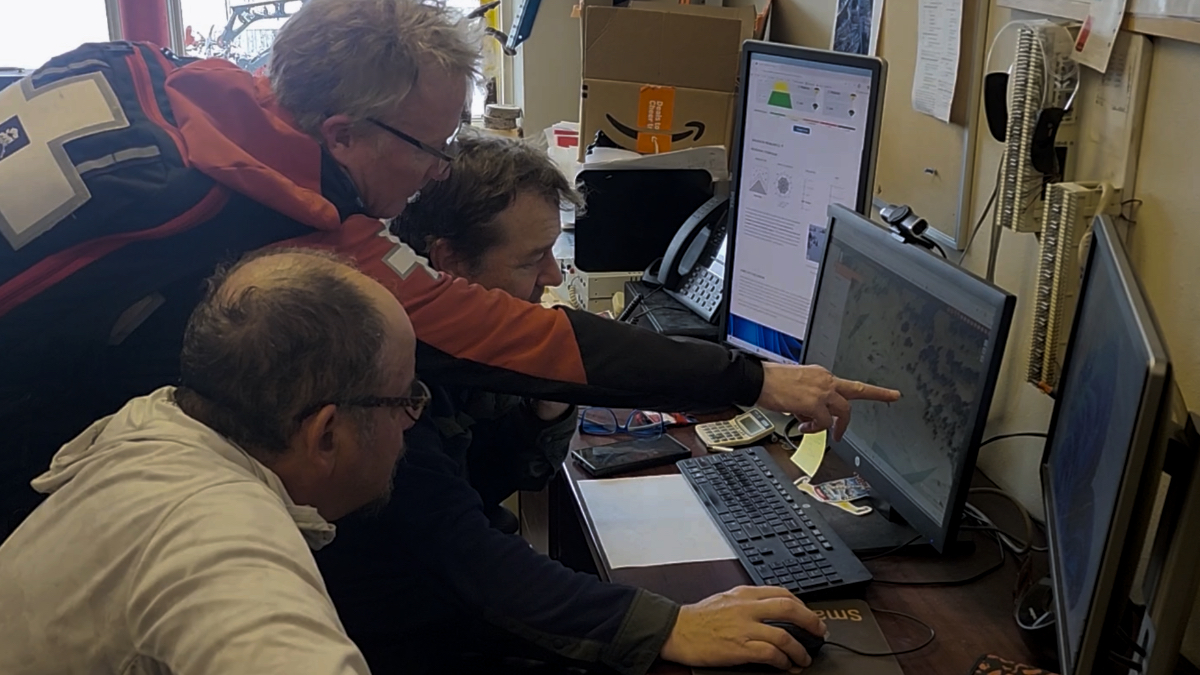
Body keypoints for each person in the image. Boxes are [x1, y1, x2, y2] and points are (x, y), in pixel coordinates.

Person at [0, 0, 898, 536]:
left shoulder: (170, 76)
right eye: (430, 149)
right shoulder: (287, 224)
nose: (439, 172)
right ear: (343, 135)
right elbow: (519, 340)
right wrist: (754, 379)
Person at [316, 134, 830, 675]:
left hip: (448, 607)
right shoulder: (386, 377)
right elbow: (467, 557)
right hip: (412, 638)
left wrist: (547, 398)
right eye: (534, 259)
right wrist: (671, 625)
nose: (554, 276)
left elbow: (485, 472)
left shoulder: (451, 353)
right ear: (448, 261)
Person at [0, 248, 420, 674]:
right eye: (405, 399)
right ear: (326, 435)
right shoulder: (219, 531)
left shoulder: (155, 427)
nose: (410, 421)